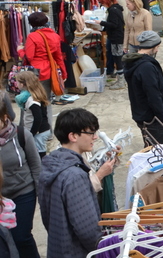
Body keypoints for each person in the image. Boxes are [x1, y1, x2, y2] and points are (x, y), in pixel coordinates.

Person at [39, 108, 115, 258]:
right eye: (90, 133)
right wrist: (103, 250)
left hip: (58, 247)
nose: (95, 137)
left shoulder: (51, 164)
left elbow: (47, 216)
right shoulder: (74, 175)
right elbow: (87, 229)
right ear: (73, 136)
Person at [0, 99, 40, 257]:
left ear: (4, 117)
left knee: (21, 236)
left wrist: (42, 194)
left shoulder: (22, 134)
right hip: (1, 198)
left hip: (23, 192)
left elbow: (36, 166)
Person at [123, 31, 163, 146]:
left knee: (150, 148)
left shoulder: (133, 62)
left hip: (141, 115)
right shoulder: (146, 67)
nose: (157, 50)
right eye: (157, 47)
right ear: (153, 46)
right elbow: (153, 95)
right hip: (152, 119)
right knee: (160, 153)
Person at [22, 12, 67, 107]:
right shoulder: (54, 36)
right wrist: (63, 73)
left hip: (36, 72)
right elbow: (58, 57)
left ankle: (35, 121)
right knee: (46, 101)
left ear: (31, 24)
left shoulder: (32, 36)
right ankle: (47, 121)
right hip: (50, 71)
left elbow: (29, 56)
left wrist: (20, 51)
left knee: (33, 102)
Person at [14, 71, 50, 158]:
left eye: (17, 81)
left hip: (39, 131)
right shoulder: (35, 95)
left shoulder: (32, 100)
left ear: (22, 84)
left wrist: (32, 133)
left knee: (39, 153)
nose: (16, 83)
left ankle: (42, 168)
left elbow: (38, 118)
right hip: (40, 130)